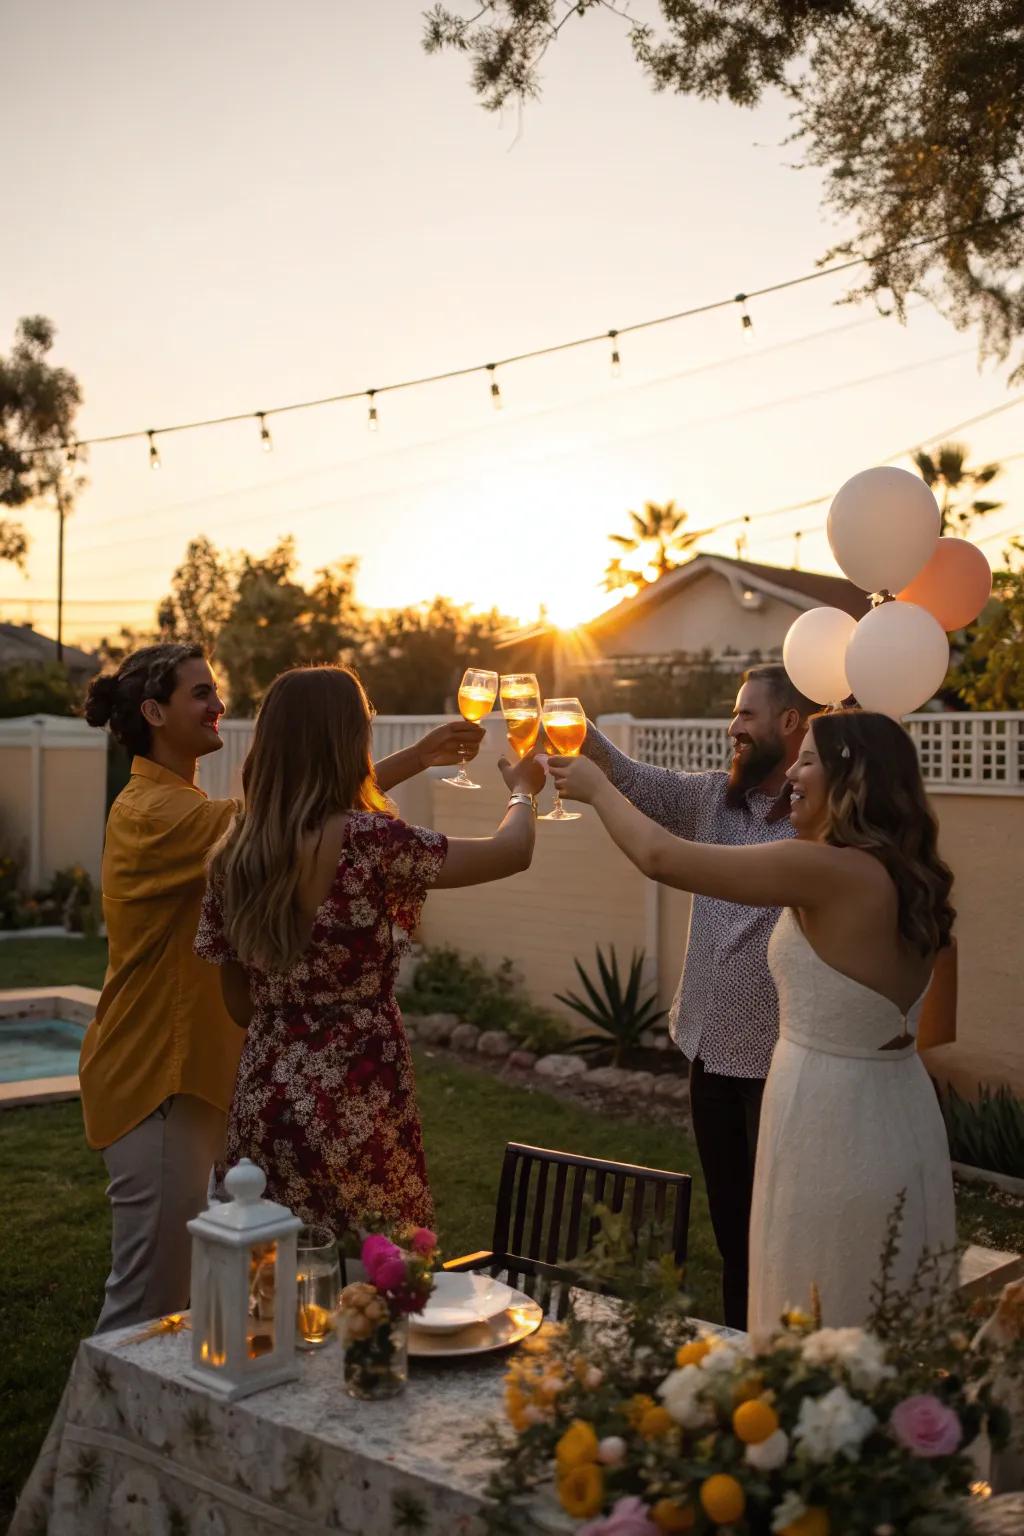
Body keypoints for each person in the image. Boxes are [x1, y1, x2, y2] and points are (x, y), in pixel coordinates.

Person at [82, 643, 484, 1331]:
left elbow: (302, 818)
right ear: (153, 712)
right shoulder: (158, 814)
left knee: (220, 1298)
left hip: (205, 1076)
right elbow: (298, 823)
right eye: (200, 694)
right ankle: (99, 1439)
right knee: (147, 1302)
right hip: (155, 1076)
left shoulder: (182, 802)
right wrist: (412, 760)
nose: (219, 705)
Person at [549, 708, 957, 1331]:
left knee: (812, 1299)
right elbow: (938, 1030)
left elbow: (662, 858)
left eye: (810, 759)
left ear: (852, 777)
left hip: (824, 1118)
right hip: (902, 1114)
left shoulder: (820, 868)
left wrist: (596, 788)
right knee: (887, 1304)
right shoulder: (923, 882)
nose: (792, 770)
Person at [194, 664, 544, 1238]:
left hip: (267, 1097)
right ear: (348, 740)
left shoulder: (235, 854)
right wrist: (523, 794)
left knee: (274, 1274)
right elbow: (511, 851)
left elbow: (238, 1005)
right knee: (382, 1275)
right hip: (360, 1094)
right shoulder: (372, 844)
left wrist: (417, 757)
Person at [579, 664, 813, 1329]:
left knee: (781, 1232)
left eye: (746, 714)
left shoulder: (817, 824)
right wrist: (574, 726)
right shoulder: (714, 799)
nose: (732, 727)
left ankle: (784, 1351)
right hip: (708, 1053)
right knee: (732, 1222)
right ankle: (742, 1348)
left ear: (791, 723)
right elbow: (630, 777)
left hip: (777, 1064)